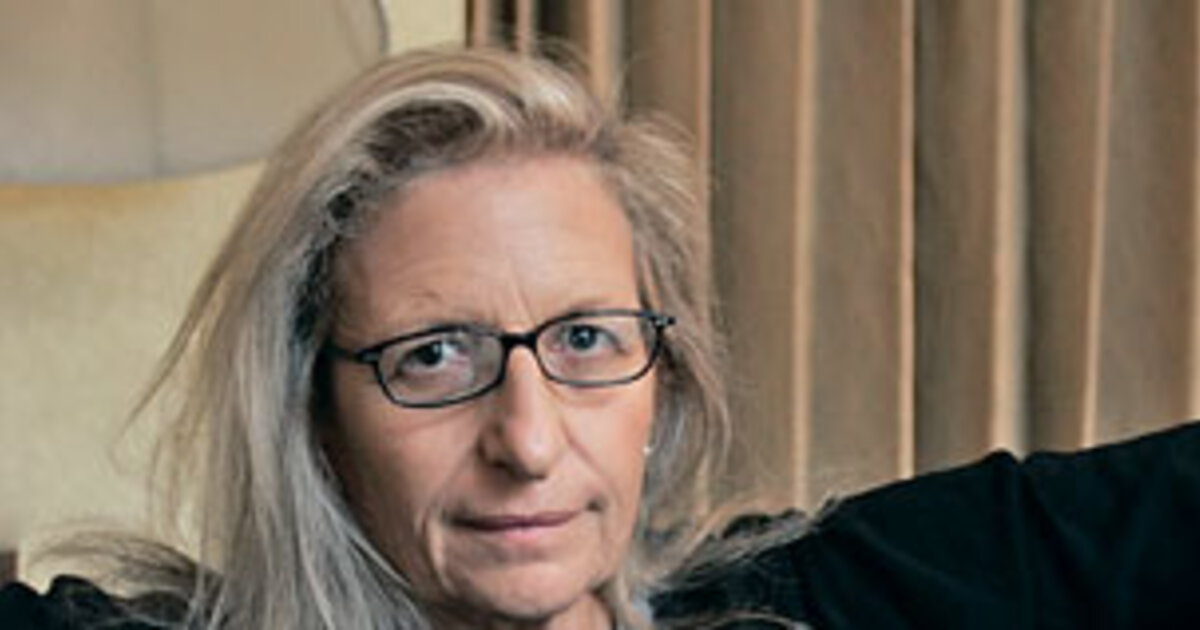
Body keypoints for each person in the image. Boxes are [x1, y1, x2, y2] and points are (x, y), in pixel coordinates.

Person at [2, 45, 1199, 629]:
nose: (527, 442)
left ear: (664, 382)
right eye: (434, 356)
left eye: (585, 338)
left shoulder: (836, 599)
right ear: (313, 412)